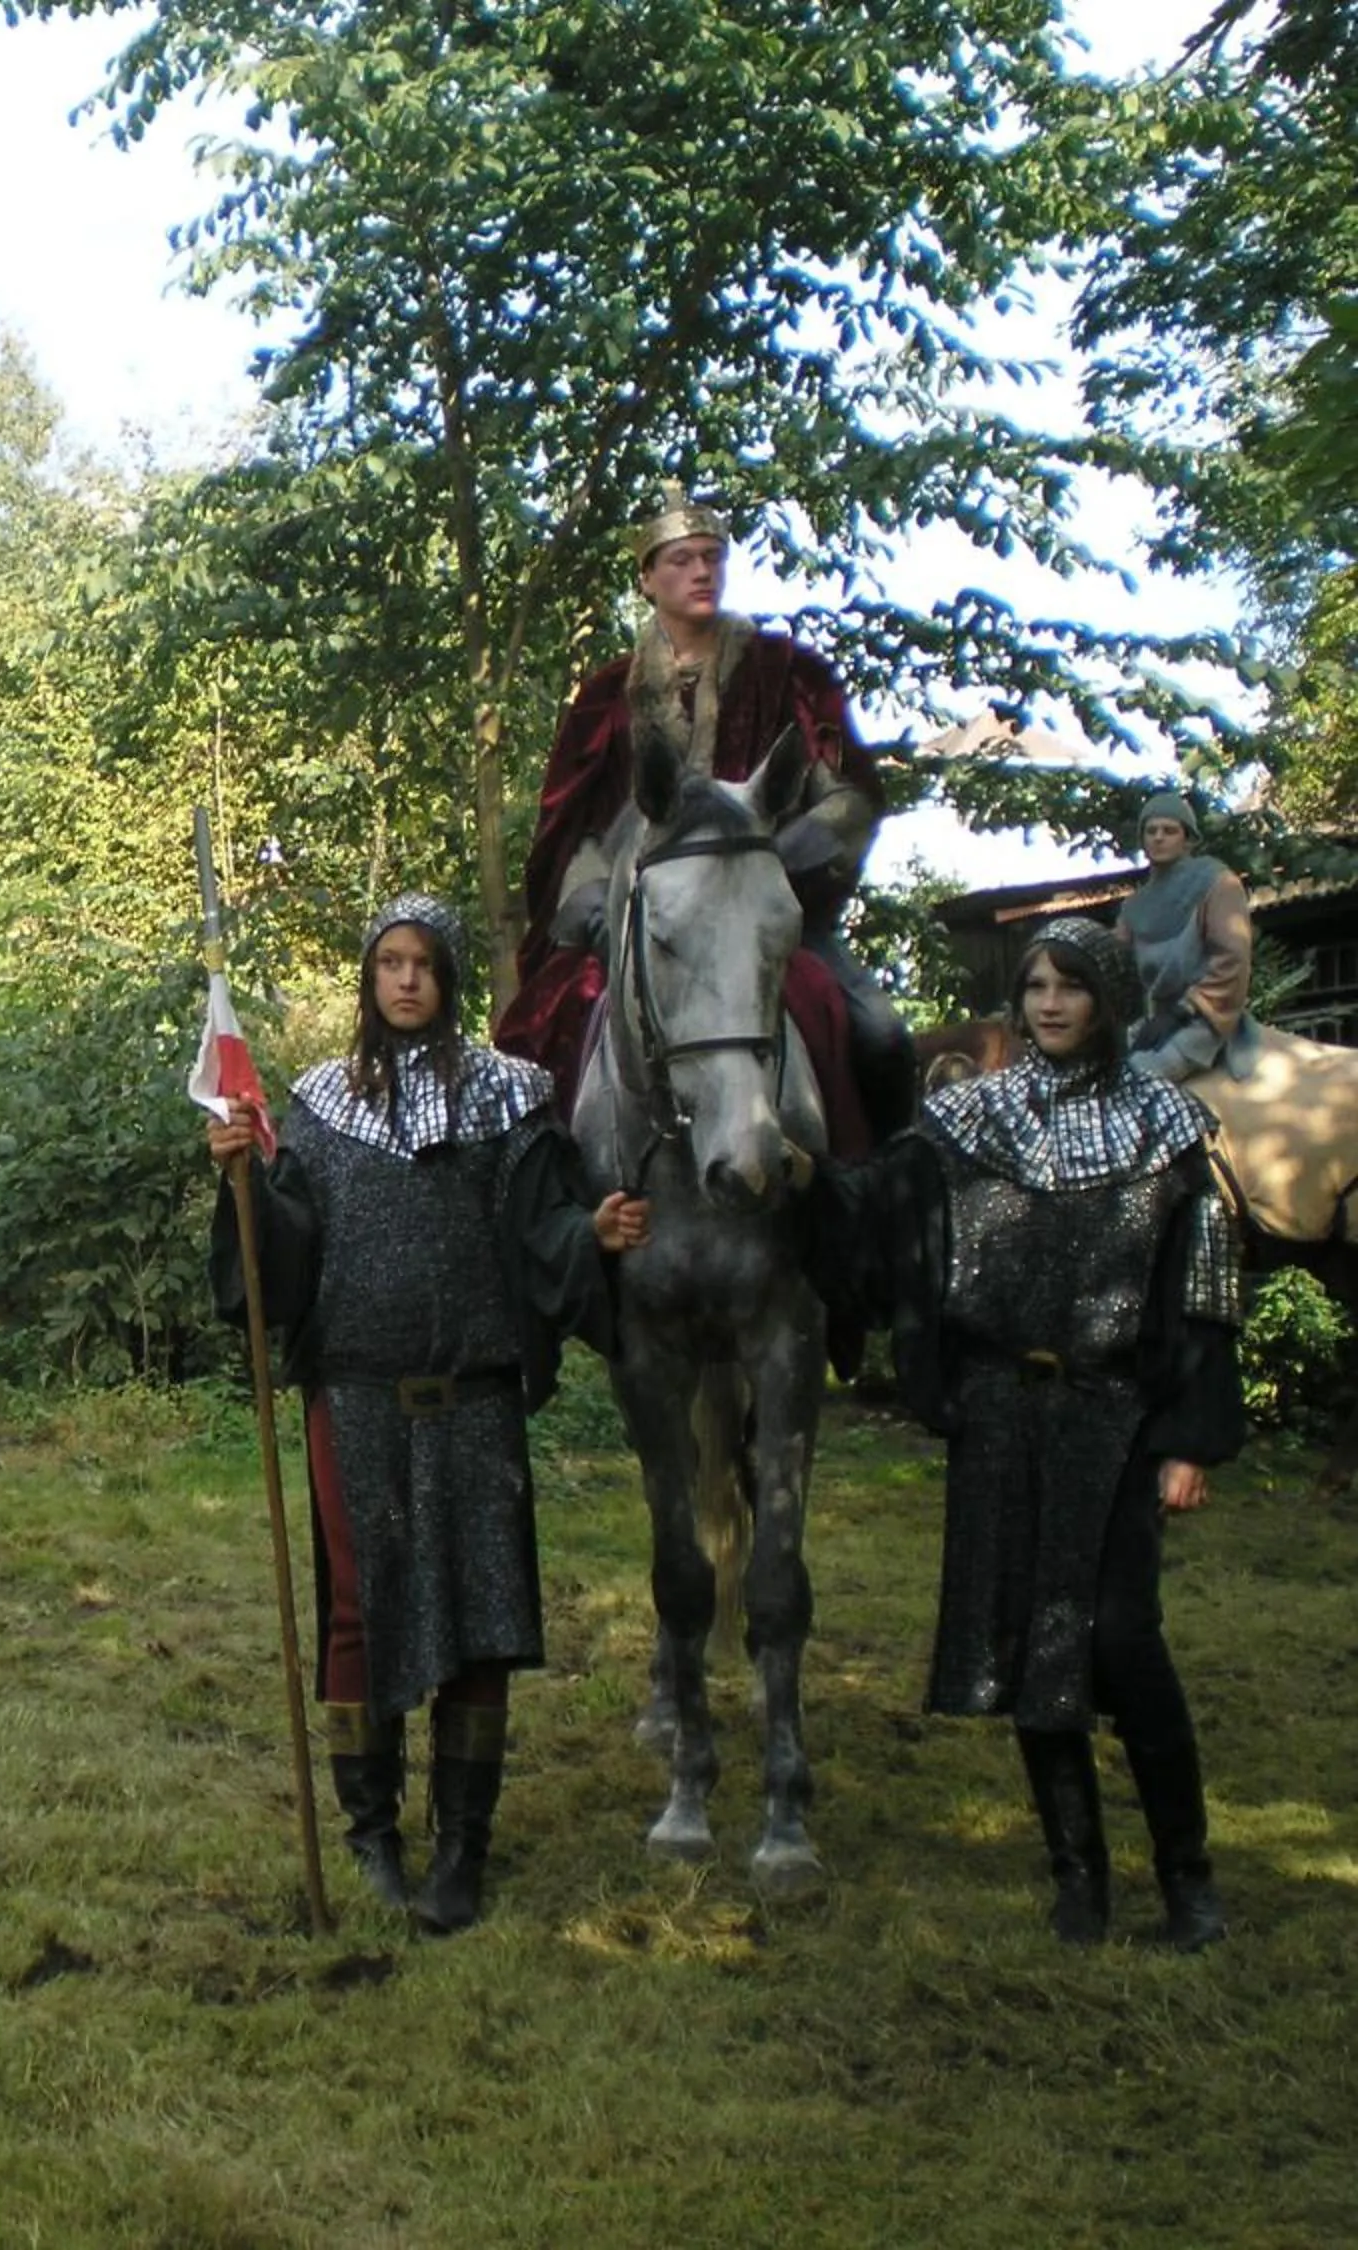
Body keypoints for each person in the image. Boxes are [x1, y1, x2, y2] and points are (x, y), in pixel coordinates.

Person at [206, 895, 649, 1935]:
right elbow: (290, 1246)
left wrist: (589, 1234)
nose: (405, 980)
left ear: (448, 978)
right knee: (358, 1611)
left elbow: (542, 1229)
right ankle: (372, 1836)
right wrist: (245, 1184)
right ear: (370, 979)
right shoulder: (321, 1107)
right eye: (389, 963)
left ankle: (462, 1850)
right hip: (356, 1395)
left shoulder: (510, 1098)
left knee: (481, 1620)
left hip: (474, 1398)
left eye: (424, 964)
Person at [818, 918, 1243, 1950]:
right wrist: (789, 1173)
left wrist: (1190, 1438)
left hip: (1114, 1415)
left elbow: (1204, 1295)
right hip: (1003, 1417)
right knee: (1031, 1644)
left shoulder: (1166, 1125)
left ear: (1106, 999)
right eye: (1037, 986)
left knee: (1122, 1639)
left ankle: (1188, 1884)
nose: (1050, 1004)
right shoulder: (968, 1121)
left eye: (1071, 986)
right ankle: (1078, 1880)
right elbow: (877, 1220)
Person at [493, 485, 915, 1154]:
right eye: (682, 559)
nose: (701, 572)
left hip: (768, 918)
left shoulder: (788, 673)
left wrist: (772, 863)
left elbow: (848, 799)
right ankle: (555, 1202)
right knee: (535, 1041)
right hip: (644, 926)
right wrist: (599, 907)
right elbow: (576, 830)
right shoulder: (606, 697)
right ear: (647, 579)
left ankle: (881, 1189)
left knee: (881, 1034)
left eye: (712, 558)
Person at [1117, 790, 1262, 1084]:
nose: (1159, 837)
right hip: (1154, 1020)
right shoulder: (1134, 906)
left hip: (1202, 1019)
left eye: (1169, 830)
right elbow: (1111, 963)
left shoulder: (1217, 883)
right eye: (1151, 831)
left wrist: (1183, 1011)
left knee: (1135, 1083)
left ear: (1188, 838)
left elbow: (1232, 959)